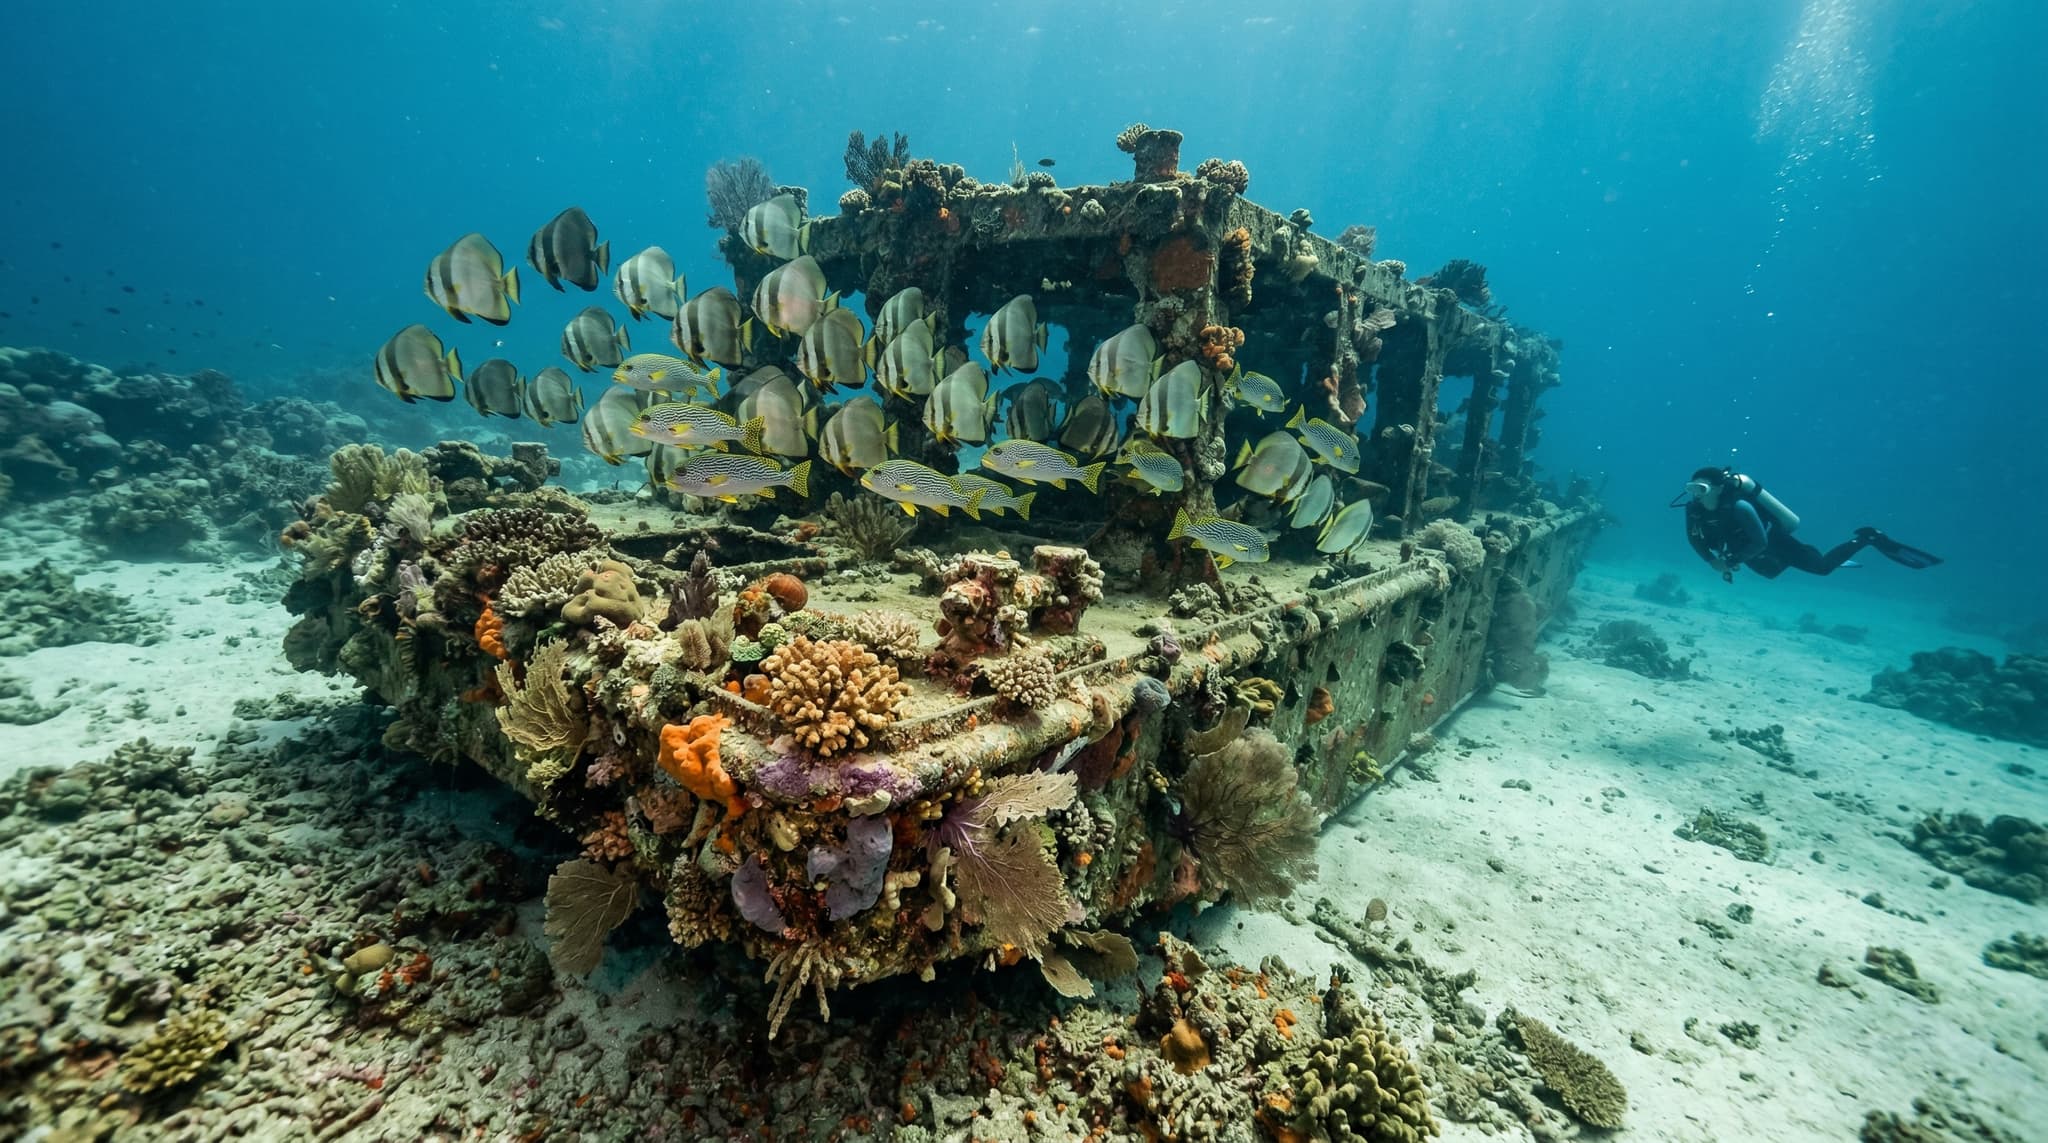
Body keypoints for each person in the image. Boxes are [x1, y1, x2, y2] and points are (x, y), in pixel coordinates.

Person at [1673, 467, 1942, 581]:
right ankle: (1809, 554)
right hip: (1744, 548)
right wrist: (1711, 560)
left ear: (1719, 488)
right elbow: (1693, 538)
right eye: (1691, 488)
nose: (1696, 494)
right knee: (1770, 573)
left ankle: (1867, 537)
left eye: (1701, 488)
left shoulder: (1740, 507)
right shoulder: (1693, 508)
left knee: (1822, 569)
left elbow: (1761, 541)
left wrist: (1732, 560)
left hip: (1772, 541)